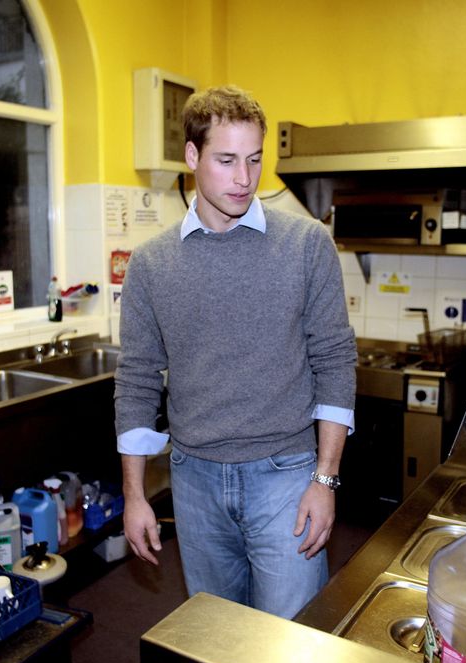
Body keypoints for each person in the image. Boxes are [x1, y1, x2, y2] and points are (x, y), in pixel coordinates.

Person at [114, 85, 356, 619]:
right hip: (194, 480)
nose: (244, 179)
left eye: (253, 160)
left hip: (286, 477)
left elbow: (335, 361)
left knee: (289, 645)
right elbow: (136, 380)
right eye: (226, 161)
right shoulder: (152, 265)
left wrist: (325, 479)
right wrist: (134, 496)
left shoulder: (307, 244)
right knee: (216, 639)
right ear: (193, 156)